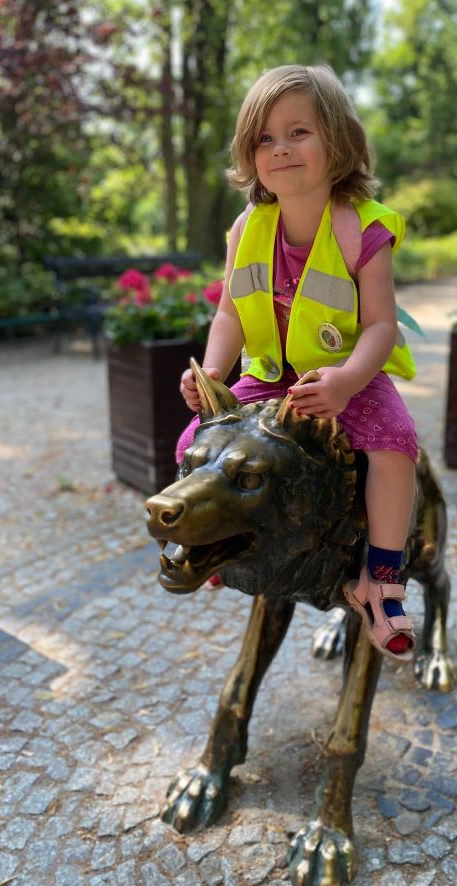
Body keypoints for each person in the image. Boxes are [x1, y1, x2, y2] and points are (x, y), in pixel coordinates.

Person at [176, 64, 419, 662]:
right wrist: (213, 373)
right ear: (249, 154)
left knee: (395, 445)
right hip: (268, 376)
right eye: (265, 138)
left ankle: (382, 579)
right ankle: (214, 537)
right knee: (192, 442)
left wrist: (347, 381)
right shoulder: (247, 229)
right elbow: (231, 313)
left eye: (298, 132)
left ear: (339, 141)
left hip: (344, 377)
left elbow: (381, 325)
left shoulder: (364, 229)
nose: (280, 148)